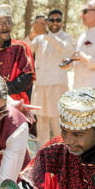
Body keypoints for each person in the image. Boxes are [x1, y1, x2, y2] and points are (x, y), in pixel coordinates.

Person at [28, 9, 75, 145]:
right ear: (47, 21)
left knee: (58, 125)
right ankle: (43, 158)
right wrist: (33, 31)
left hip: (57, 87)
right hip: (41, 86)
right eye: (52, 20)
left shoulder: (66, 37)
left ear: (61, 22)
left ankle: (61, 157)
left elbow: (65, 49)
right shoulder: (39, 38)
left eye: (58, 20)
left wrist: (46, 34)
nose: (55, 23)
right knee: (41, 125)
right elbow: (27, 49)